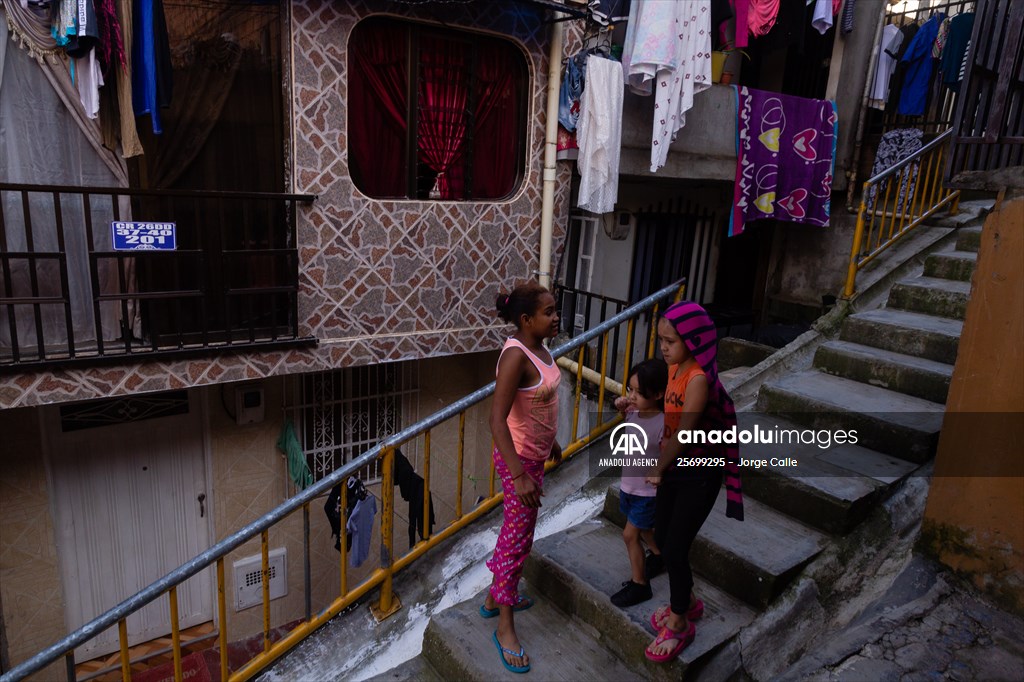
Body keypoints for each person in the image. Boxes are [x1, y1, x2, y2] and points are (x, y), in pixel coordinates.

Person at [644, 300, 744, 664]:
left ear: (695, 340)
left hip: (698, 473)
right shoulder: (673, 369)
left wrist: (657, 468)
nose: (663, 348)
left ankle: (679, 621)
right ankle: (686, 601)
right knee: (663, 535)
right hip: (675, 469)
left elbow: (684, 432)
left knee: (673, 548)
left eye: (671, 341)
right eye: (661, 340)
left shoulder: (698, 379)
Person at [481, 281, 563, 674]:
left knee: (514, 532)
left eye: (555, 310)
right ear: (527, 319)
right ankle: (505, 627)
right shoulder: (515, 356)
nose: (556, 317)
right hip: (520, 463)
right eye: (548, 312)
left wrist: (554, 442)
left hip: (534, 456)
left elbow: (539, 403)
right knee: (518, 540)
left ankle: (494, 599)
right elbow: (496, 420)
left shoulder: (541, 348)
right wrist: (520, 477)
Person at [610, 359, 668, 607]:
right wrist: (622, 407)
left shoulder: (663, 424)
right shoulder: (634, 411)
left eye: (638, 392)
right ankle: (658, 555)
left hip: (647, 492)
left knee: (629, 535)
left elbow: (668, 454)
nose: (631, 396)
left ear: (657, 394)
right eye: (629, 389)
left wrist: (659, 471)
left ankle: (640, 584)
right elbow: (628, 422)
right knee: (643, 529)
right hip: (629, 486)